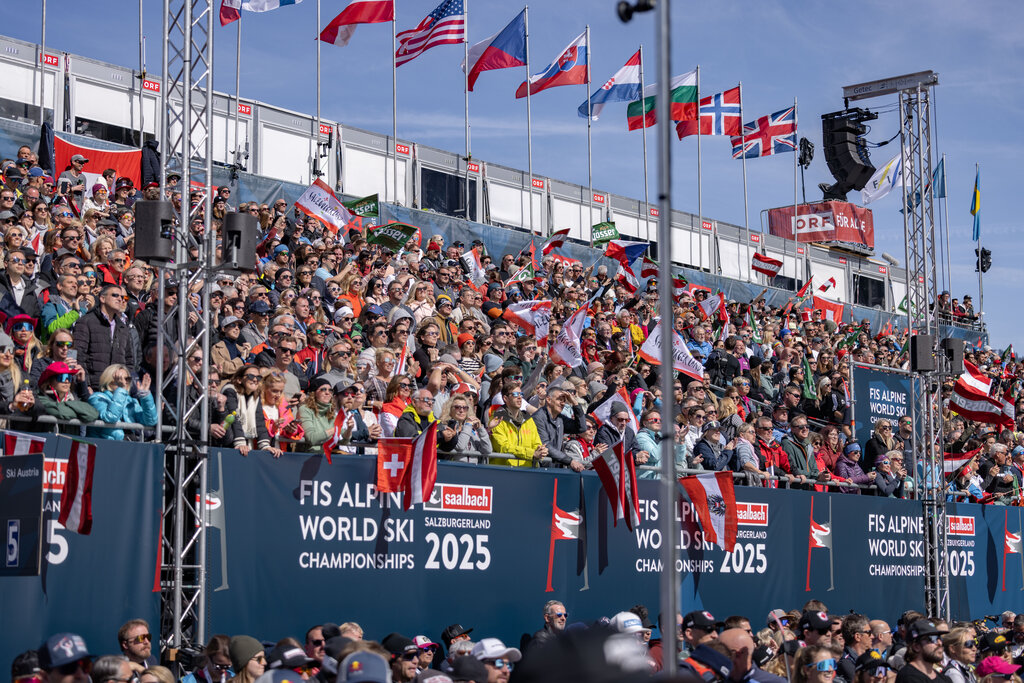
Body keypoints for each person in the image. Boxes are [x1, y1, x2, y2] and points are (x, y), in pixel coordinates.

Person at [87, 365, 157, 439]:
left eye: (128, 379)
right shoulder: (97, 398)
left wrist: (145, 396)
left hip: (129, 446)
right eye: (120, 378)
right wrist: (121, 389)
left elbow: (150, 422)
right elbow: (109, 418)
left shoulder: (131, 401)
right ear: (109, 380)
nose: (124, 382)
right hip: (104, 446)